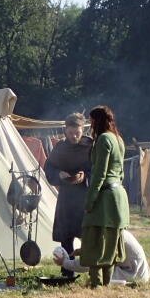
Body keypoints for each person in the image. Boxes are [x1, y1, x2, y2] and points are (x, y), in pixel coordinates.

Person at [79, 105, 129, 288]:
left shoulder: (103, 140)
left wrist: (90, 200)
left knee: (95, 240)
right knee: (111, 243)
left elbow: (99, 174)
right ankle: (106, 283)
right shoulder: (118, 139)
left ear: (96, 121)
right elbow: (121, 173)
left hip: (105, 197)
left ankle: (96, 284)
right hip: (118, 197)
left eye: (91, 120)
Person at [43, 113, 92, 281]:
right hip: (66, 197)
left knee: (87, 234)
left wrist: (84, 176)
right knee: (66, 236)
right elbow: (49, 168)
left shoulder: (90, 147)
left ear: (83, 129)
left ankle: (90, 267)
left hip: (85, 196)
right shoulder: (60, 148)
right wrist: (59, 174)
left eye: (77, 132)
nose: (74, 136)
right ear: (65, 130)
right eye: (70, 133)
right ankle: (67, 271)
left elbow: (98, 170)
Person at [54, 229, 149, 285]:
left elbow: (90, 262)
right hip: (141, 272)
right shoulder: (113, 230)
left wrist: (64, 263)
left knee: (94, 280)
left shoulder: (107, 237)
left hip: (133, 274)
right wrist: (83, 251)